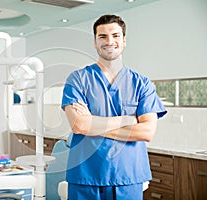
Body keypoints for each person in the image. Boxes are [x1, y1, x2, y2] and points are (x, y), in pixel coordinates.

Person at [61, 14, 167, 200]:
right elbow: (80, 126)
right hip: (86, 176)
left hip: (128, 176)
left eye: (115, 35)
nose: (109, 41)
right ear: (95, 42)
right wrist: (126, 120)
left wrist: (93, 125)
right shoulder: (78, 79)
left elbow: (147, 132)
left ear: (124, 40)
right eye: (102, 36)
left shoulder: (142, 84)